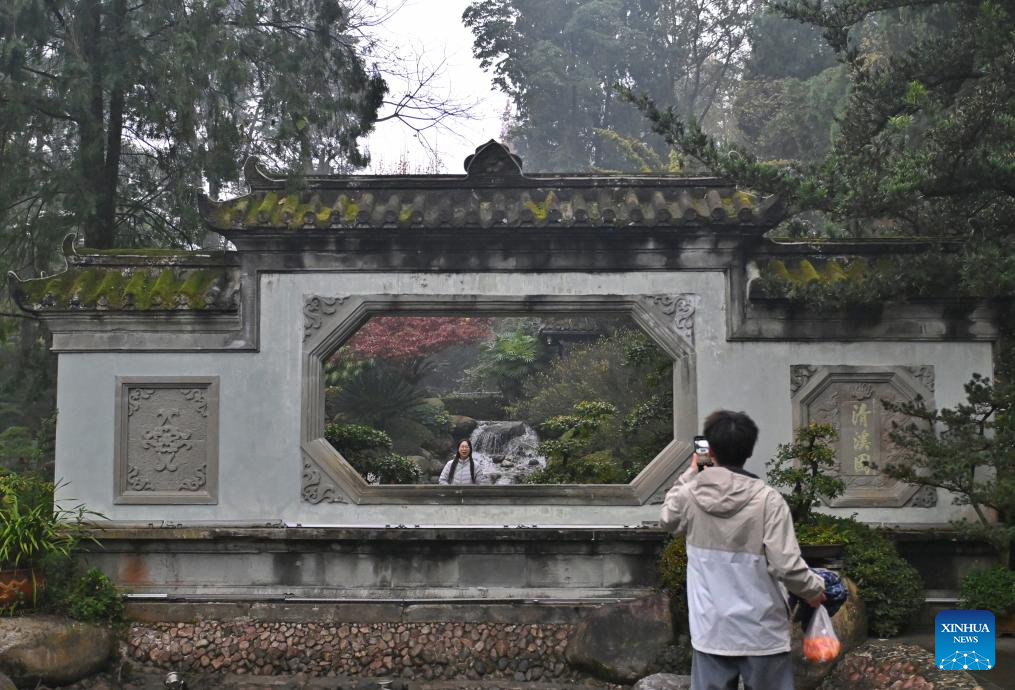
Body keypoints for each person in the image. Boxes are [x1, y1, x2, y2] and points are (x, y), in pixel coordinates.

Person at [660, 410, 826, 690]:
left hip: (712, 629)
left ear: (709, 450)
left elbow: (667, 519)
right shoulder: (768, 500)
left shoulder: (689, 495)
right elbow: (786, 565)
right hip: (762, 631)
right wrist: (813, 591)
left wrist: (693, 471)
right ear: (749, 451)